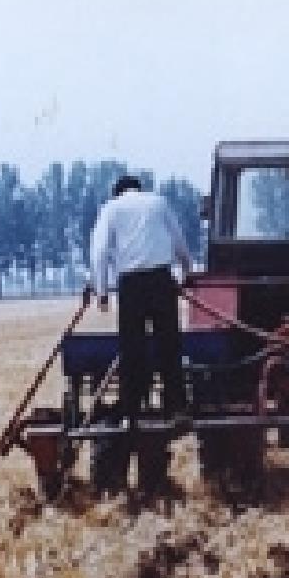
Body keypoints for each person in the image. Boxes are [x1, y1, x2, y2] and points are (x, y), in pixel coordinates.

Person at [90, 175, 193, 429]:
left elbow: (100, 251)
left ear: (118, 192)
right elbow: (179, 241)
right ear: (139, 189)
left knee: (132, 349)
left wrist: (102, 291)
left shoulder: (111, 209)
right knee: (169, 344)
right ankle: (176, 408)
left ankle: (131, 411)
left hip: (131, 284)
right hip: (161, 279)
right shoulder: (158, 203)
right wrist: (186, 271)